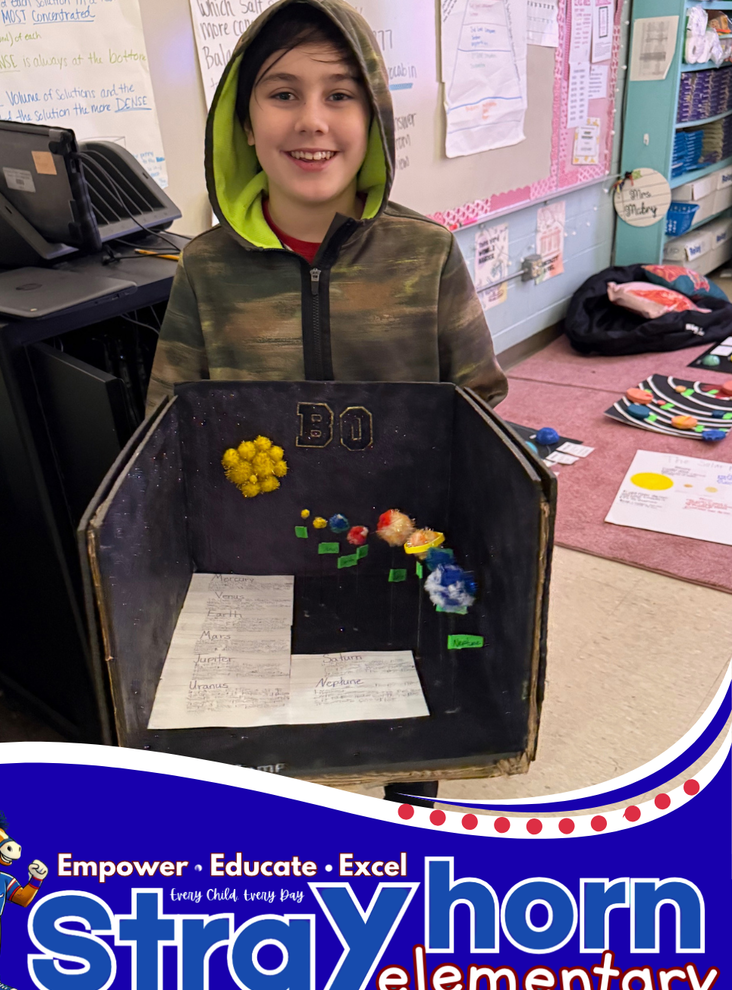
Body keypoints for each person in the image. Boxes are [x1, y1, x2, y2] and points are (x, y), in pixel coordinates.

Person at [147, 0, 508, 806]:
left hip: (402, 551)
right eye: (282, 93)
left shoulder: (426, 255)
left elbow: (480, 407)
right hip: (258, 553)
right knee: (267, 761)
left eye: (340, 95)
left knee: (412, 736)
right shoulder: (205, 268)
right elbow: (165, 422)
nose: (312, 122)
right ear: (244, 122)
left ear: (372, 117)